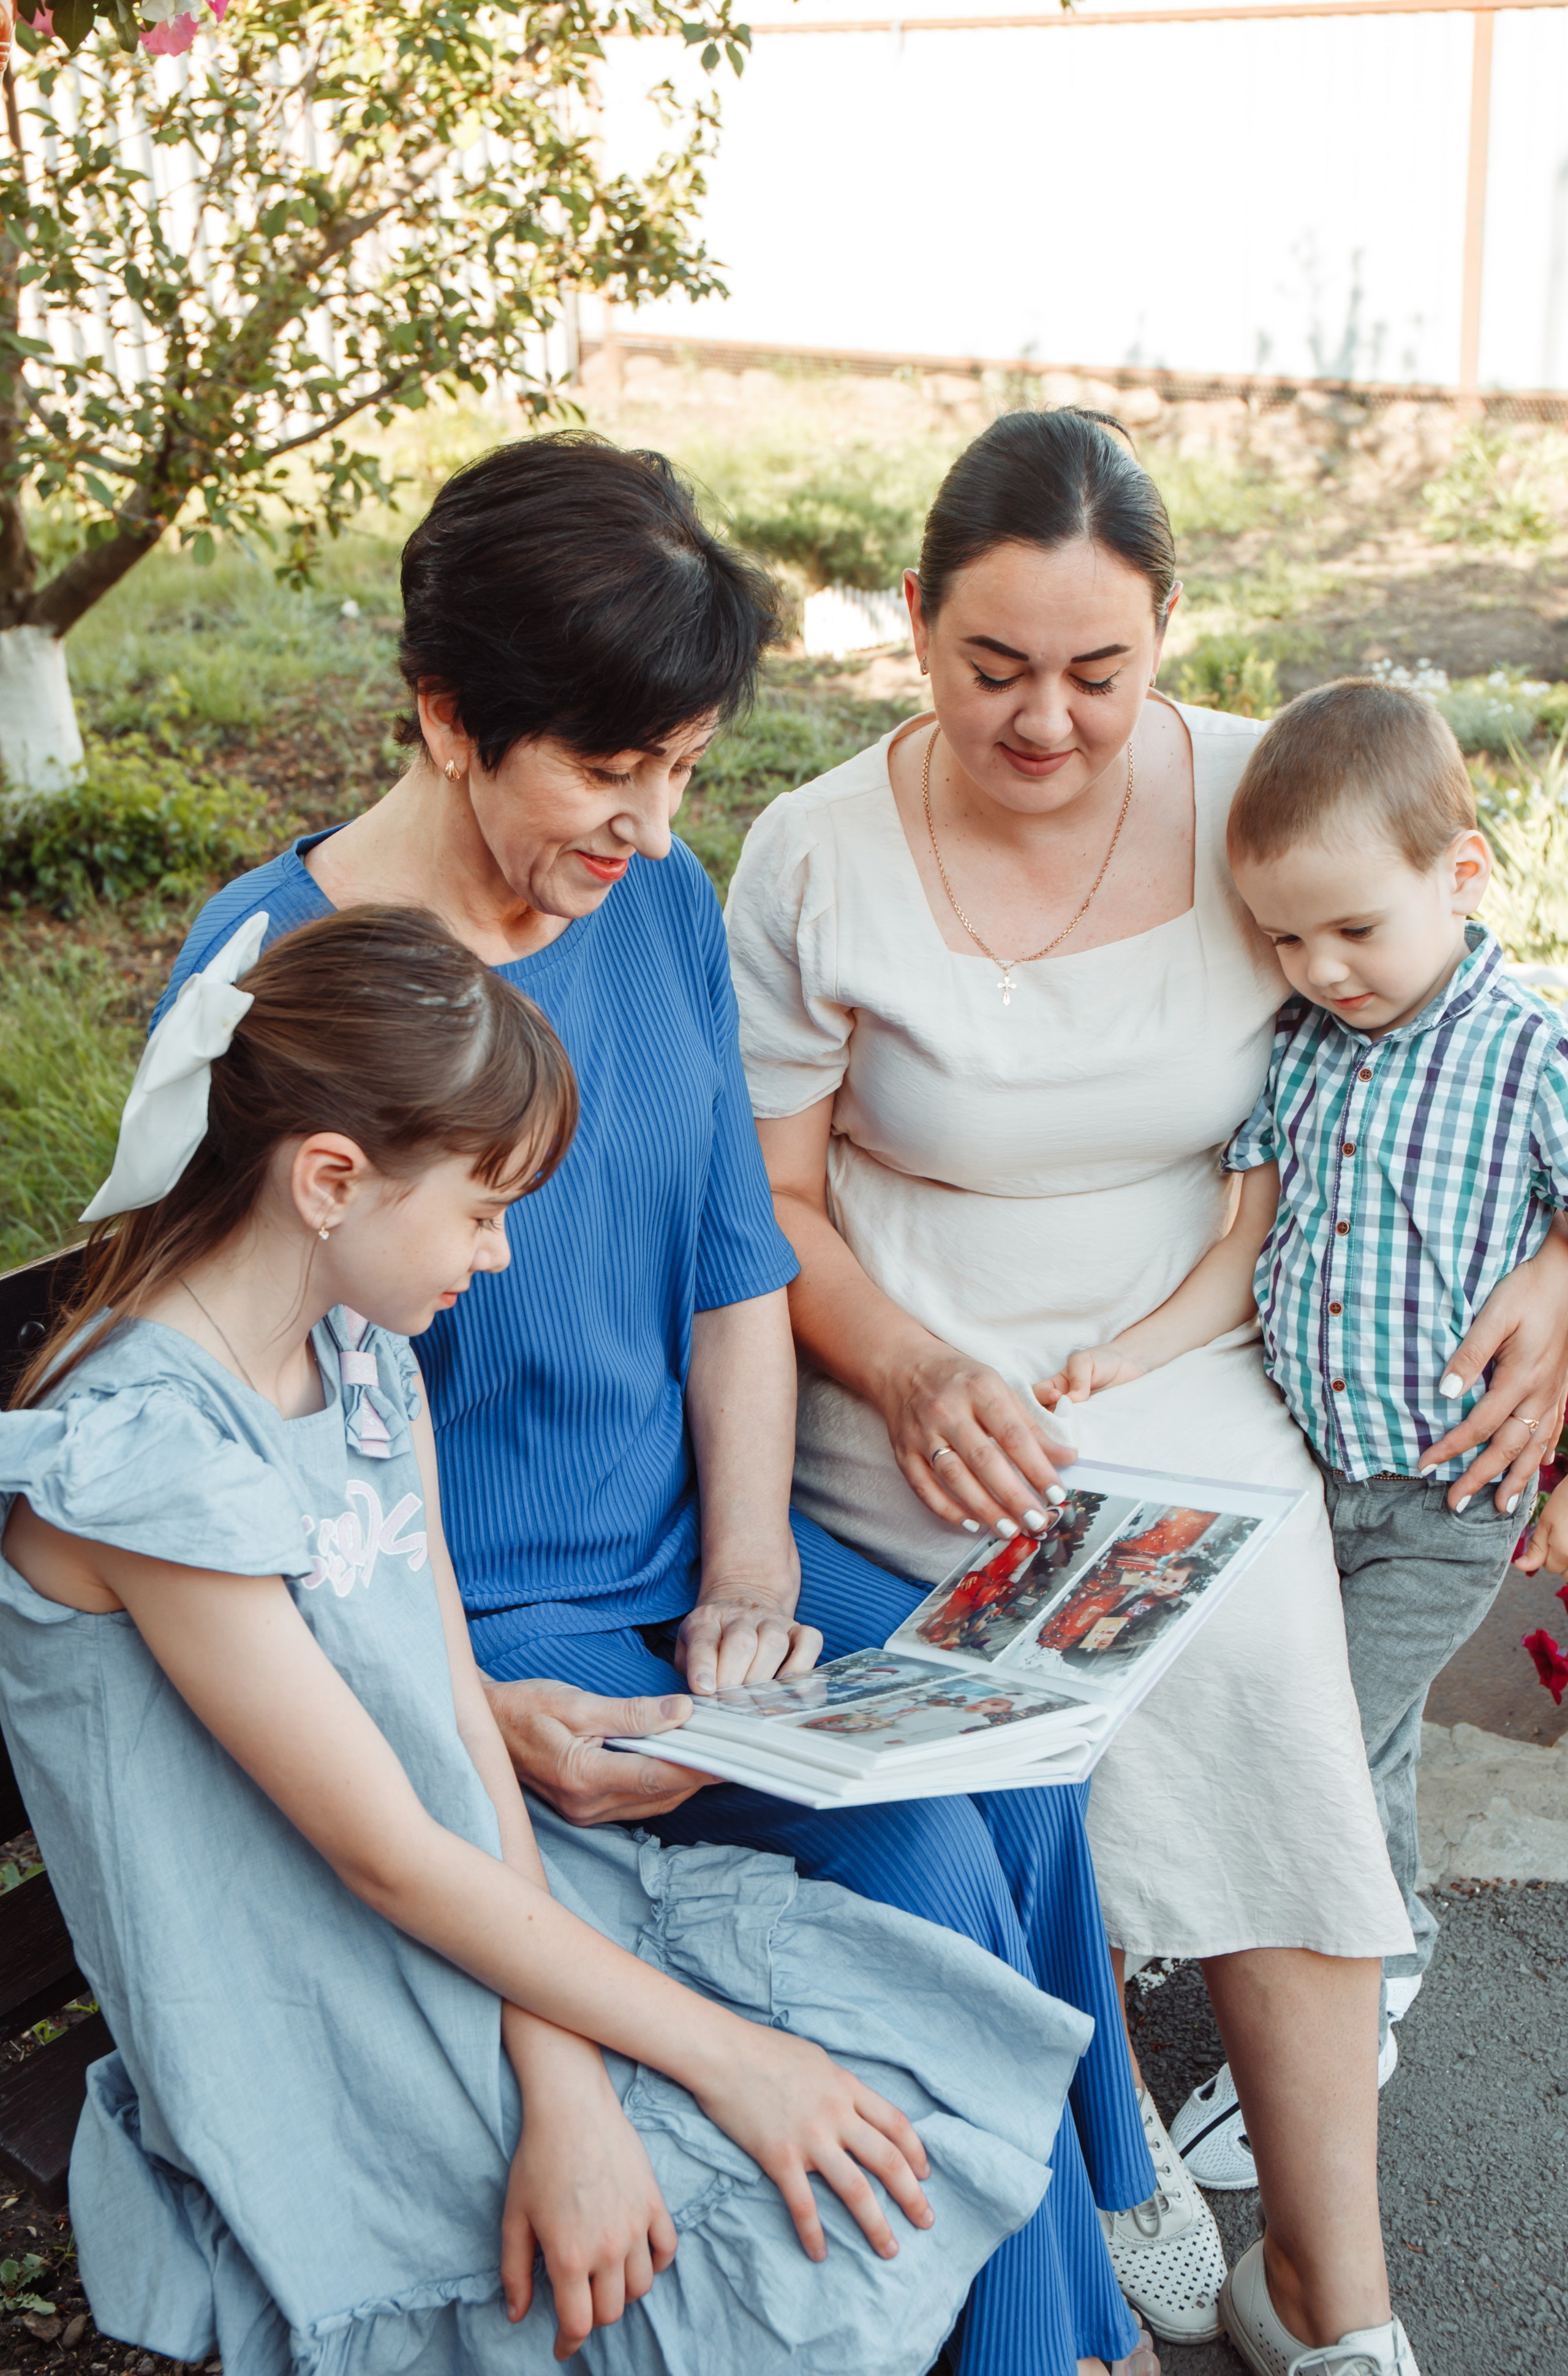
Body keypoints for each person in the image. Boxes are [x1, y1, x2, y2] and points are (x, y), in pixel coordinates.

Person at [154, 432, 1161, 2376]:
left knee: (1024, 1726)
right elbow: (275, 1462)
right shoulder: (288, 988)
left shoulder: (661, 900)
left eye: (683, 766)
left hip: (694, 1551)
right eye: (608, 771)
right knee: (937, 1865)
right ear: (450, 719)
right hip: (481, 1618)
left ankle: (1087, 2240)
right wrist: (488, 1710)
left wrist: (760, 1556)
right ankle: (1062, 2326)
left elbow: (729, 1259)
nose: (650, 819)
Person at [722, 407, 1568, 2372]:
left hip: (1193, 1338)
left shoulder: (1251, 800)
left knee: (1268, 1666)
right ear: (916, 622)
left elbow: (1479, 1011)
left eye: (1100, 673)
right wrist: (913, 1362)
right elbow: (769, 1207)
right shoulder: (813, 852)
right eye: (993, 666)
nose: (1045, 724)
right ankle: (1106, 2142)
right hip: (909, 1354)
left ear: (1170, 634)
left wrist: (1558, 1269)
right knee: (1009, 1680)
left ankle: (1330, 2299)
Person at [0, 905, 1098, 2376]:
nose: (502, 1253)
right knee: (761, 2158)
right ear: (330, 1178)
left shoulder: (359, 1354)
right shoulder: (148, 1462)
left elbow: (456, 1718)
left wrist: (563, 2059)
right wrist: (701, 2057)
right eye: (480, 1208)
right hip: (304, 1975)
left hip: (452, 1897)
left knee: (868, 2091)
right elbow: (380, 1851)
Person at [1043, 677, 1568, 2356]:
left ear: (1462, 872)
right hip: (1310, 1464)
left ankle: (1368, 1976)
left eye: (1353, 927)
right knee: (1350, 1732)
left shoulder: (1529, 1050)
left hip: (1444, 1495)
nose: (1323, 969)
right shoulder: (1303, 1054)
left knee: (1331, 1738)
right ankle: (1370, 1941)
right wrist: (1122, 1352)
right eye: (1284, 942)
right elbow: (1241, 1254)